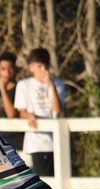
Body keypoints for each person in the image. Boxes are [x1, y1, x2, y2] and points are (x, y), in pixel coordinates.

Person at [14, 48, 66, 176]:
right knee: (41, 182)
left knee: (58, 183)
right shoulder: (23, 85)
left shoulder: (58, 84)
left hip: (56, 142)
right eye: (39, 66)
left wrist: (51, 86)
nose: (43, 70)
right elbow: (21, 113)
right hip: (35, 144)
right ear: (31, 67)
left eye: (45, 66)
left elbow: (58, 110)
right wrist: (29, 115)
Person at [0, 51, 24, 152]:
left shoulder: (20, 88)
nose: (7, 72)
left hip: (17, 143)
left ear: (15, 69)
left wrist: (3, 90)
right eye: (3, 69)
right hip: (3, 141)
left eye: (10, 68)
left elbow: (12, 115)